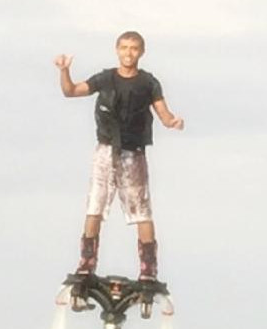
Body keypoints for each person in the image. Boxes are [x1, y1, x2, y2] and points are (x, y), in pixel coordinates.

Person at [53, 31, 183, 282]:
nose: (128, 53)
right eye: (124, 47)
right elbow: (71, 92)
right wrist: (64, 71)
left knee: (140, 210)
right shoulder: (106, 79)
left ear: (141, 52)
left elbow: (164, 114)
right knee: (95, 205)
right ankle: (87, 262)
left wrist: (173, 121)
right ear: (117, 49)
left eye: (134, 48)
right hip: (105, 149)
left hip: (133, 154)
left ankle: (148, 268)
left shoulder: (148, 83)